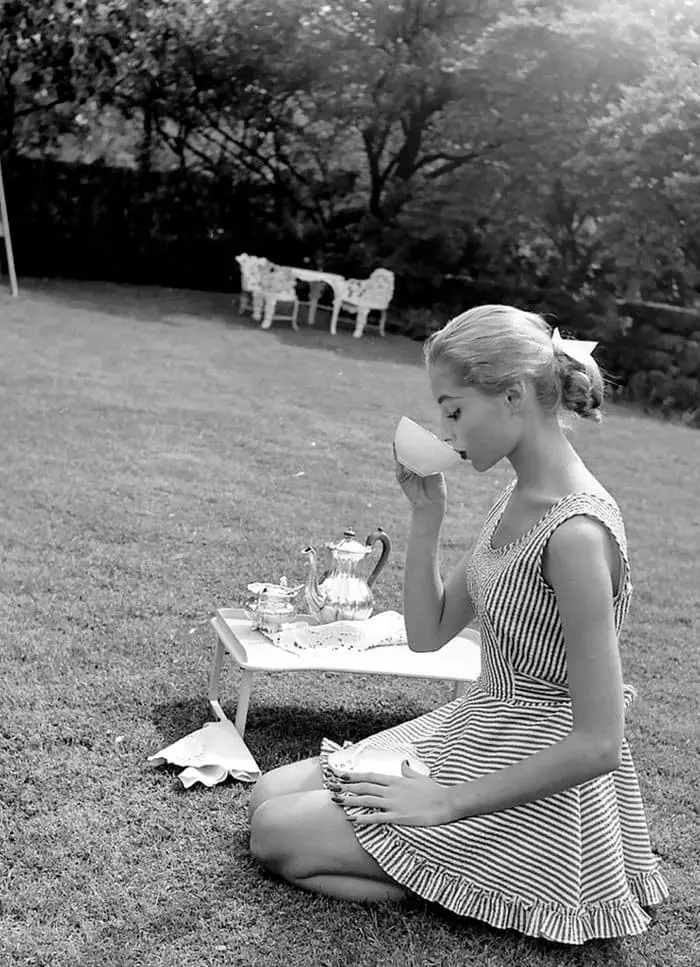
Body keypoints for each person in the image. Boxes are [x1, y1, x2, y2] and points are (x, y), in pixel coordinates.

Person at [247, 304, 668, 944]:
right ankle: (424, 866)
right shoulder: (517, 494)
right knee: (267, 796)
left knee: (276, 834)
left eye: (453, 408)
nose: (445, 428)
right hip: (476, 728)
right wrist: (427, 517)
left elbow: (600, 742)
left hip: (534, 779)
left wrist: (442, 804)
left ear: (513, 394)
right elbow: (430, 633)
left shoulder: (578, 533)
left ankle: (459, 879)